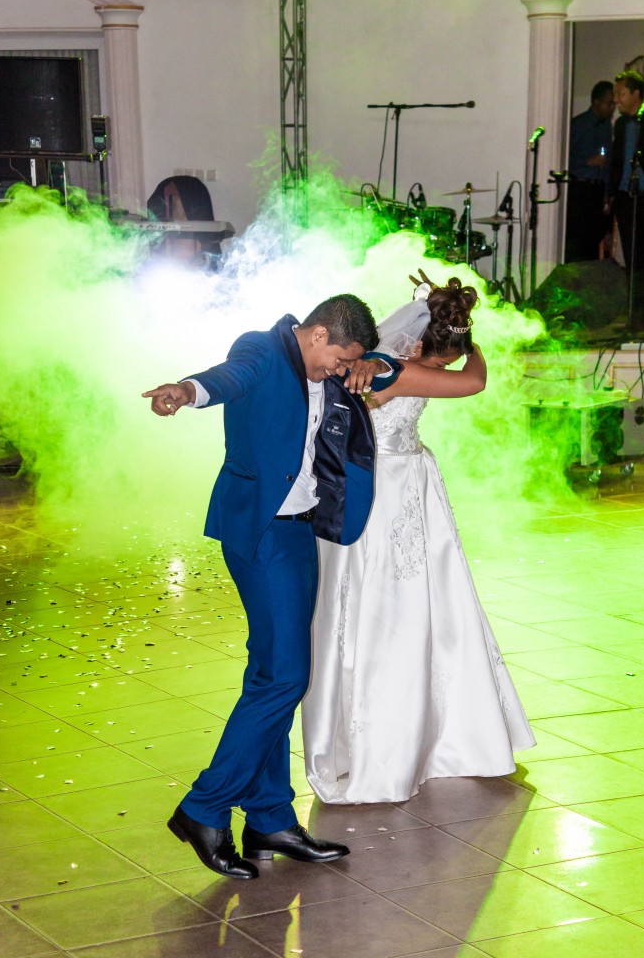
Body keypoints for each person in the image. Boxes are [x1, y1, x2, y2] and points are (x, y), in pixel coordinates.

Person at [143, 295, 399, 878]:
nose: (338, 372)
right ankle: (204, 807)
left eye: (346, 365)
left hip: (300, 532)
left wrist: (373, 364)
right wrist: (184, 390)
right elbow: (226, 378)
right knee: (286, 677)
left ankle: (269, 818)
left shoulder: (338, 359)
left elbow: (387, 360)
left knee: (271, 676)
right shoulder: (262, 347)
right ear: (314, 333)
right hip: (261, 531)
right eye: (337, 360)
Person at [302, 274, 536, 805]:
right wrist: (471, 345)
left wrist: (457, 338)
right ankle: (393, 744)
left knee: (416, 607)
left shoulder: (382, 364)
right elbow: (474, 381)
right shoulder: (397, 371)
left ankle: (431, 734)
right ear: (424, 346)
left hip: (405, 484)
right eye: (441, 361)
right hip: (388, 490)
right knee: (395, 610)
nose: (444, 372)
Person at [609, 69, 644, 330]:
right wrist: (612, 195)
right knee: (633, 260)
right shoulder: (620, 125)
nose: (616, 99)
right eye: (615, 94)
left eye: (621, 93)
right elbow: (617, 161)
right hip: (626, 198)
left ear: (635, 94)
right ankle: (639, 316)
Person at [565, 80, 615, 263]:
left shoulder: (607, 126)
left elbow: (607, 163)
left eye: (613, 104)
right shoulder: (579, 124)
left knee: (595, 240)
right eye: (609, 103)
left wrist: (607, 193)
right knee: (578, 241)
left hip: (598, 190)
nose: (612, 108)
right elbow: (563, 158)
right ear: (596, 102)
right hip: (580, 189)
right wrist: (587, 161)